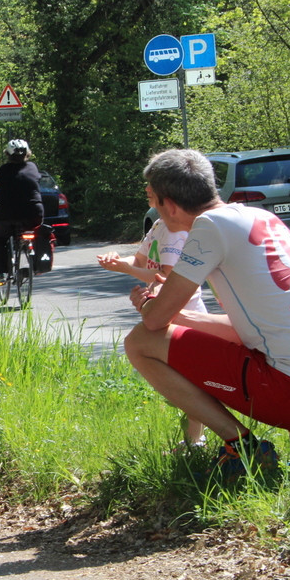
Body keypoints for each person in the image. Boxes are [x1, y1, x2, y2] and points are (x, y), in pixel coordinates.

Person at [124, 149, 290, 476]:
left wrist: (149, 304)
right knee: (211, 339)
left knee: (139, 342)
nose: (153, 208)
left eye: (153, 200)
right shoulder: (260, 217)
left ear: (172, 205)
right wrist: (178, 316)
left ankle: (242, 448)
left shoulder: (209, 227)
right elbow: (244, 330)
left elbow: (153, 321)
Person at [97, 187, 208, 446]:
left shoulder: (177, 232)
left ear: (167, 198)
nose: (146, 193)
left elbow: (169, 276)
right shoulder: (158, 224)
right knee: (180, 381)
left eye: (152, 190)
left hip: (184, 311)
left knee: (189, 381)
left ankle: (197, 441)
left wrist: (126, 268)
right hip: (162, 311)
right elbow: (140, 260)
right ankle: (194, 441)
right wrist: (116, 260)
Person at [0, 138, 43, 285]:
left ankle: (0, 274)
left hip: (8, 213)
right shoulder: (33, 167)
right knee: (36, 233)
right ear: (27, 153)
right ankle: (34, 257)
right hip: (34, 212)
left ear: (8, 154)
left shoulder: (4, 170)